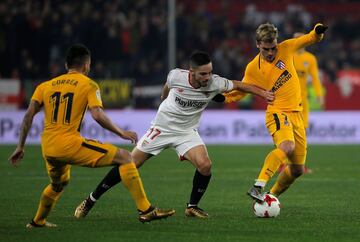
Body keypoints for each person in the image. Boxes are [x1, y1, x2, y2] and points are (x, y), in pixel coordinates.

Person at [73, 51, 274, 219]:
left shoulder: (215, 83)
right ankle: (90, 199)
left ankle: (192, 206)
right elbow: (168, 85)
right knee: (130, 163)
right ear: (192, 72)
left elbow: (240, 85)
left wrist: (263, 94)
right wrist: (163, 97)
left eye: (210, 72)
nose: (208, 77)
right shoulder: (176, 75)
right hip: (162, 128)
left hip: (186, 132)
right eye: (203, 74)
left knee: (205, 166)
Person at [8, 44, 175, 228]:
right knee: (126, 157)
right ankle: (146, 210)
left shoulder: (44, 86)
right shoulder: (89, 84)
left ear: (66, 65)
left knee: (58, 185)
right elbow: (96, 114)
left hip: (48, 147)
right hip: (69, 144)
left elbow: (28, 115)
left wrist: (20, 146)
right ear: (87, 65)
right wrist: (121, 132)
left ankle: (37, 221)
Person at [221, 23, 327, 201]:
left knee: (297, 170)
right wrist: (222, 98)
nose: (270, 53)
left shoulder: (285, 48)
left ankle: (271, 196)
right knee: (287, 146)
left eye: (273, 48)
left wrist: (317, 31)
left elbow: (309, 38)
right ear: (257, 45)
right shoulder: (253, 68)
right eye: (266, 49)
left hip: (297, 114)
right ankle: (258, 185)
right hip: (277, 112)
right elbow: (241, 90)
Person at [278, 32, 325, 174]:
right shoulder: (287, 56)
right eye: (295, 39)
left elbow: (315, 78)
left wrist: (319, 95)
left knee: (301, 133)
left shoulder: (310, 59)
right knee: (287, 133)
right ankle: (283, 163)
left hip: (302, 101)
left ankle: (299, 164)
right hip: (287, 100)